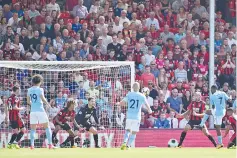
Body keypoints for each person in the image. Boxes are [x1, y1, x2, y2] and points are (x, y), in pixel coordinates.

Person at [117, 82, 152, 150]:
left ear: (132, 87)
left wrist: (119, 103)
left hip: (129, 116)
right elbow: (147, 105)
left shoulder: (129, 94)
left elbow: (122, 102)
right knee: (134, 132)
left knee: (127, 130)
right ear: (139, 88)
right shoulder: (142, 96)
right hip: (136, 117)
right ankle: (128, 145)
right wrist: (150, 110)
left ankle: (124, 142)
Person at [27, 74, 54, 149]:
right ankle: (50, 144)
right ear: (40, 82)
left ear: (32, 82)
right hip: (40, 110)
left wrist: (34, 104)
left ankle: (32, 145)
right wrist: (48, 104)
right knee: (47, 127)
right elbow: (43, 98)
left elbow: (28, 101)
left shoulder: (29, 90)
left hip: (33, 111)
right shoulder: (40, 89)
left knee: (33, 129)